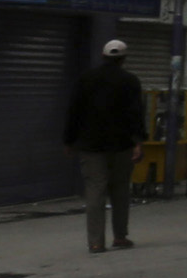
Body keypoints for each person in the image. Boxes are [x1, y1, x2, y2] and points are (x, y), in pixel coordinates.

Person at [63, 38, 147, 253]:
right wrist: (138, 141)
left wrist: (69, 141)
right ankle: (120, 237)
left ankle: (96, 241)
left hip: (91, 146)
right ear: (123, 59)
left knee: (95, 192)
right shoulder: (130, 81)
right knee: (120, 192)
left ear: (103, 56)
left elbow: (74, 111)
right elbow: (136, 113)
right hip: (121, 145)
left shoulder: (86, 79)